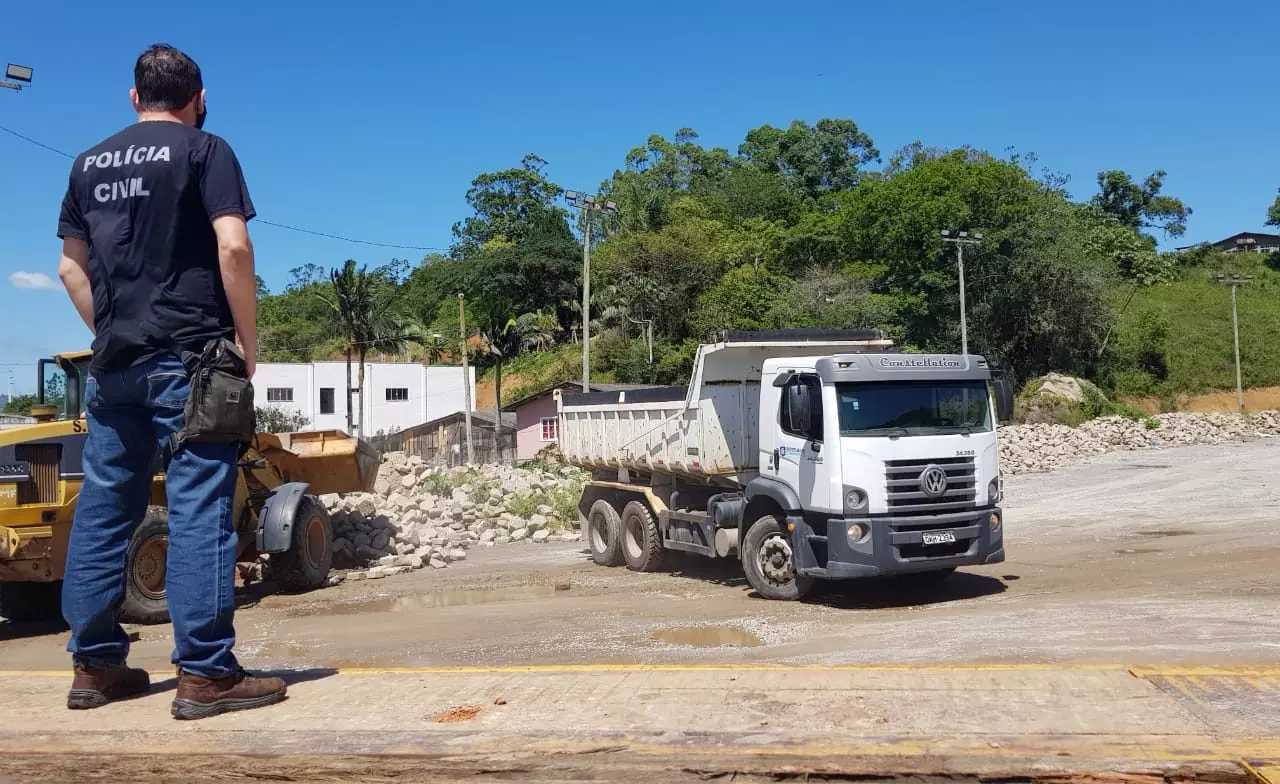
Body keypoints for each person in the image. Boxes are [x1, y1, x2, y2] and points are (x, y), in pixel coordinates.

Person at [55, 43, 285, 719]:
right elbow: (234, 246)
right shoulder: (206, 151)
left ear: (134, 98)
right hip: (188, 360)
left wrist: (115, 329)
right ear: (200, 97)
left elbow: (71, 268)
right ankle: (206, 675)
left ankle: (94, 668)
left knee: (103, 511)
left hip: (115, 365)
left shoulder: (86, 163)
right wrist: (247, 341)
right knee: (200, 511)